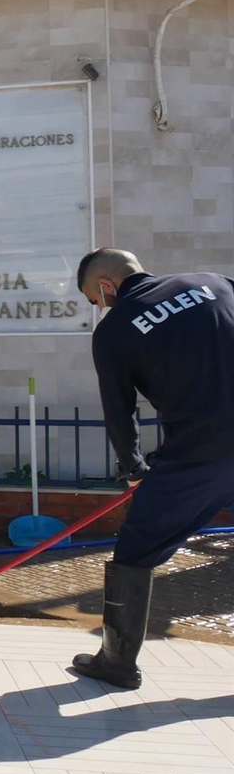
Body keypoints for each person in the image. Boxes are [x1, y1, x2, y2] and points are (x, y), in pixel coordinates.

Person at [73, 247, 234, 689]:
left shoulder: (114, 331)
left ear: (107, 285)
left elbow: (119, 411)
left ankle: (116, 662)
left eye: (94, 299)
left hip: (201, 453)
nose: (98, 307)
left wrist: (134, 468)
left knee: (136, 551)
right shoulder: (215, 282)